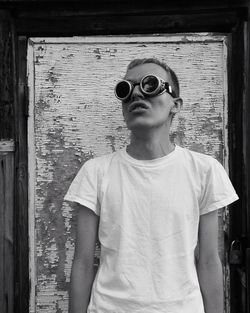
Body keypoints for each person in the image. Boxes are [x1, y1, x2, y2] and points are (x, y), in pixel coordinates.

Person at [64, 57, 239, 313]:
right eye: (126, 90)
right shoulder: (96, 172)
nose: (135, 94)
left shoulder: (204, 170)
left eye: (149, 84)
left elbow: (210, 260)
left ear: (175, 105)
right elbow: (82, 263)